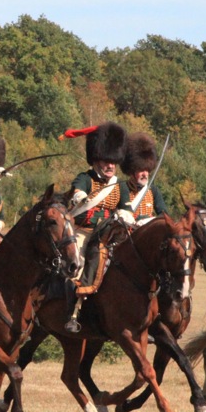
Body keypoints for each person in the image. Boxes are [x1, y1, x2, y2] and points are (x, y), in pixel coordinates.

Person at [61, 121, 133, 331]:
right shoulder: (85, 178)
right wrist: (81, 197)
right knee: (76, 267)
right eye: (106, 161)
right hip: (84, 232)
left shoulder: (120, 186)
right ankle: (71, 314)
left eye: (114, 162)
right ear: (95, 160)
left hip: (111, 236)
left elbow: (127, 209)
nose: (111, 166)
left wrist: (125, 215)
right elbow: (77, 193)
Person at [121, 132, 170, 226]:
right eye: (141, 170)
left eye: (147, 170)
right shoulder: (122, 188)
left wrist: (150, 221)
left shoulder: (153, 190)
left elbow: (164, 215)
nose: (145, 174)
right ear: (132, 170)